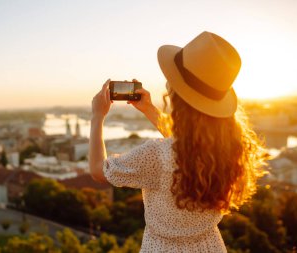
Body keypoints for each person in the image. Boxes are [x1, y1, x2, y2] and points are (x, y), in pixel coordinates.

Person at [89, 31, 267, 252]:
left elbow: (98, 171)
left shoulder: (156, 154)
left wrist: (97, 117)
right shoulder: (230, 146)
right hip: (209, 246)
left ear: (177, 96)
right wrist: (149, 110)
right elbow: (186, 143)